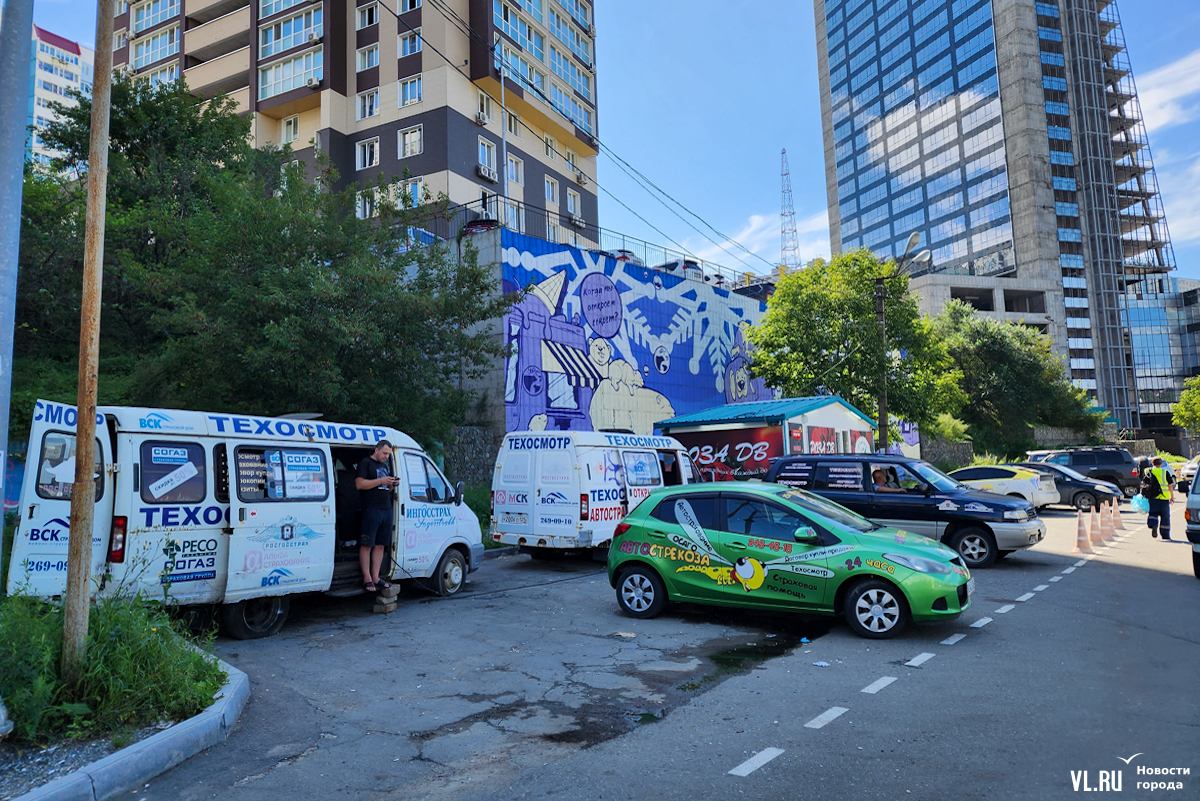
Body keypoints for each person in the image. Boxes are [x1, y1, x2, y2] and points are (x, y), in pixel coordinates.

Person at [356, 440, 400, 592]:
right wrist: (381, 480)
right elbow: (359, 484)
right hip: (371, 509)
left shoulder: (384, 466)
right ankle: (367, 578)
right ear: (377, 450)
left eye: (388, 454)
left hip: (386, 508)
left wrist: (391, 485)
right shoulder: (366, 463)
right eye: (385, 453)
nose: (387, 457)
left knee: (381, 544)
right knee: (367, 544)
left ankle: (376, 577)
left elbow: (382, 489)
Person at [1143, 456, 1174, 541]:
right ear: (1161, 464)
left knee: (1153, 513)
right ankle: (1165, 535)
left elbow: (1144, 483)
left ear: (1152, 463)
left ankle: (1153, 524)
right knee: (1165, 516)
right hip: (1164, 498)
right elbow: (1170, 485)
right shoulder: (1165, 472)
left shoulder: (1148, 471)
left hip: (1153, 497)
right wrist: (1172, 497)